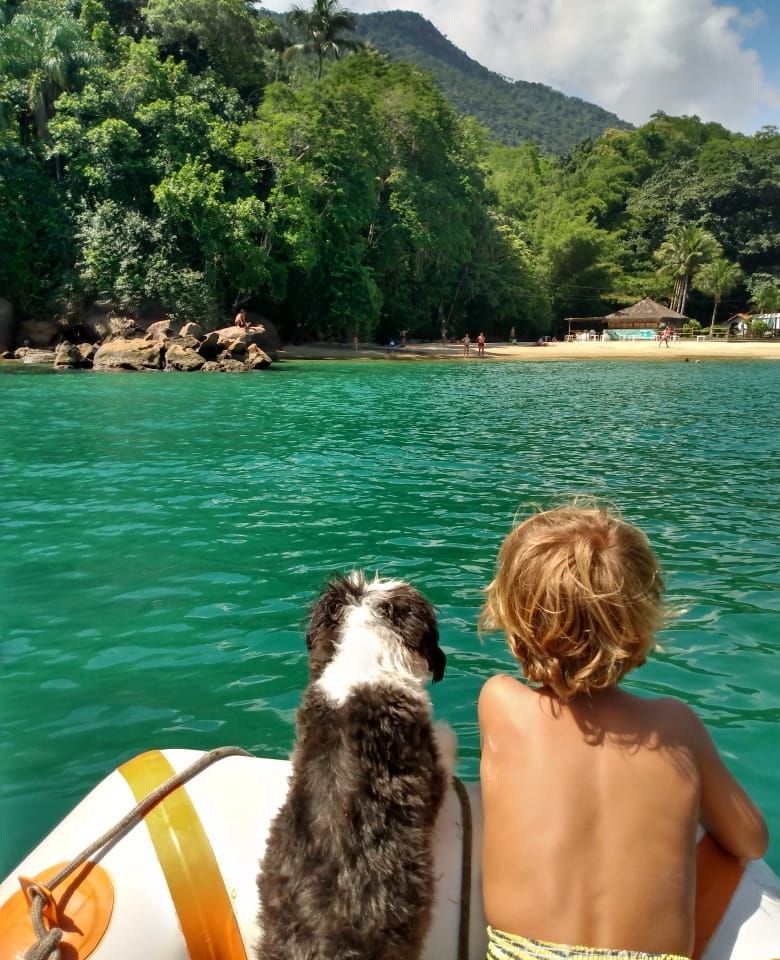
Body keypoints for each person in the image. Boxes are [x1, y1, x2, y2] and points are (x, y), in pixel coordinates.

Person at [478, 503, 768, 960]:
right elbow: (751, 842)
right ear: (640, 623)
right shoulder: (676, 727)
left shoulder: (500, 703)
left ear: (515, 620)